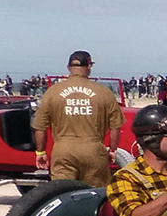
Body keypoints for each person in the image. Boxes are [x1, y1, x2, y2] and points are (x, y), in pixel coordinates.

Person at [31, 51, 124, 186]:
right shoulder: (103, 92)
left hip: (63, 150)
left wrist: (40, 152)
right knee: (94, 196)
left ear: (68, 66)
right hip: (93, 150)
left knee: (62, 193)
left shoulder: (53, 91)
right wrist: (112, 150)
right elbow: (115, 125)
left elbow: (39, 127)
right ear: (89, 65)